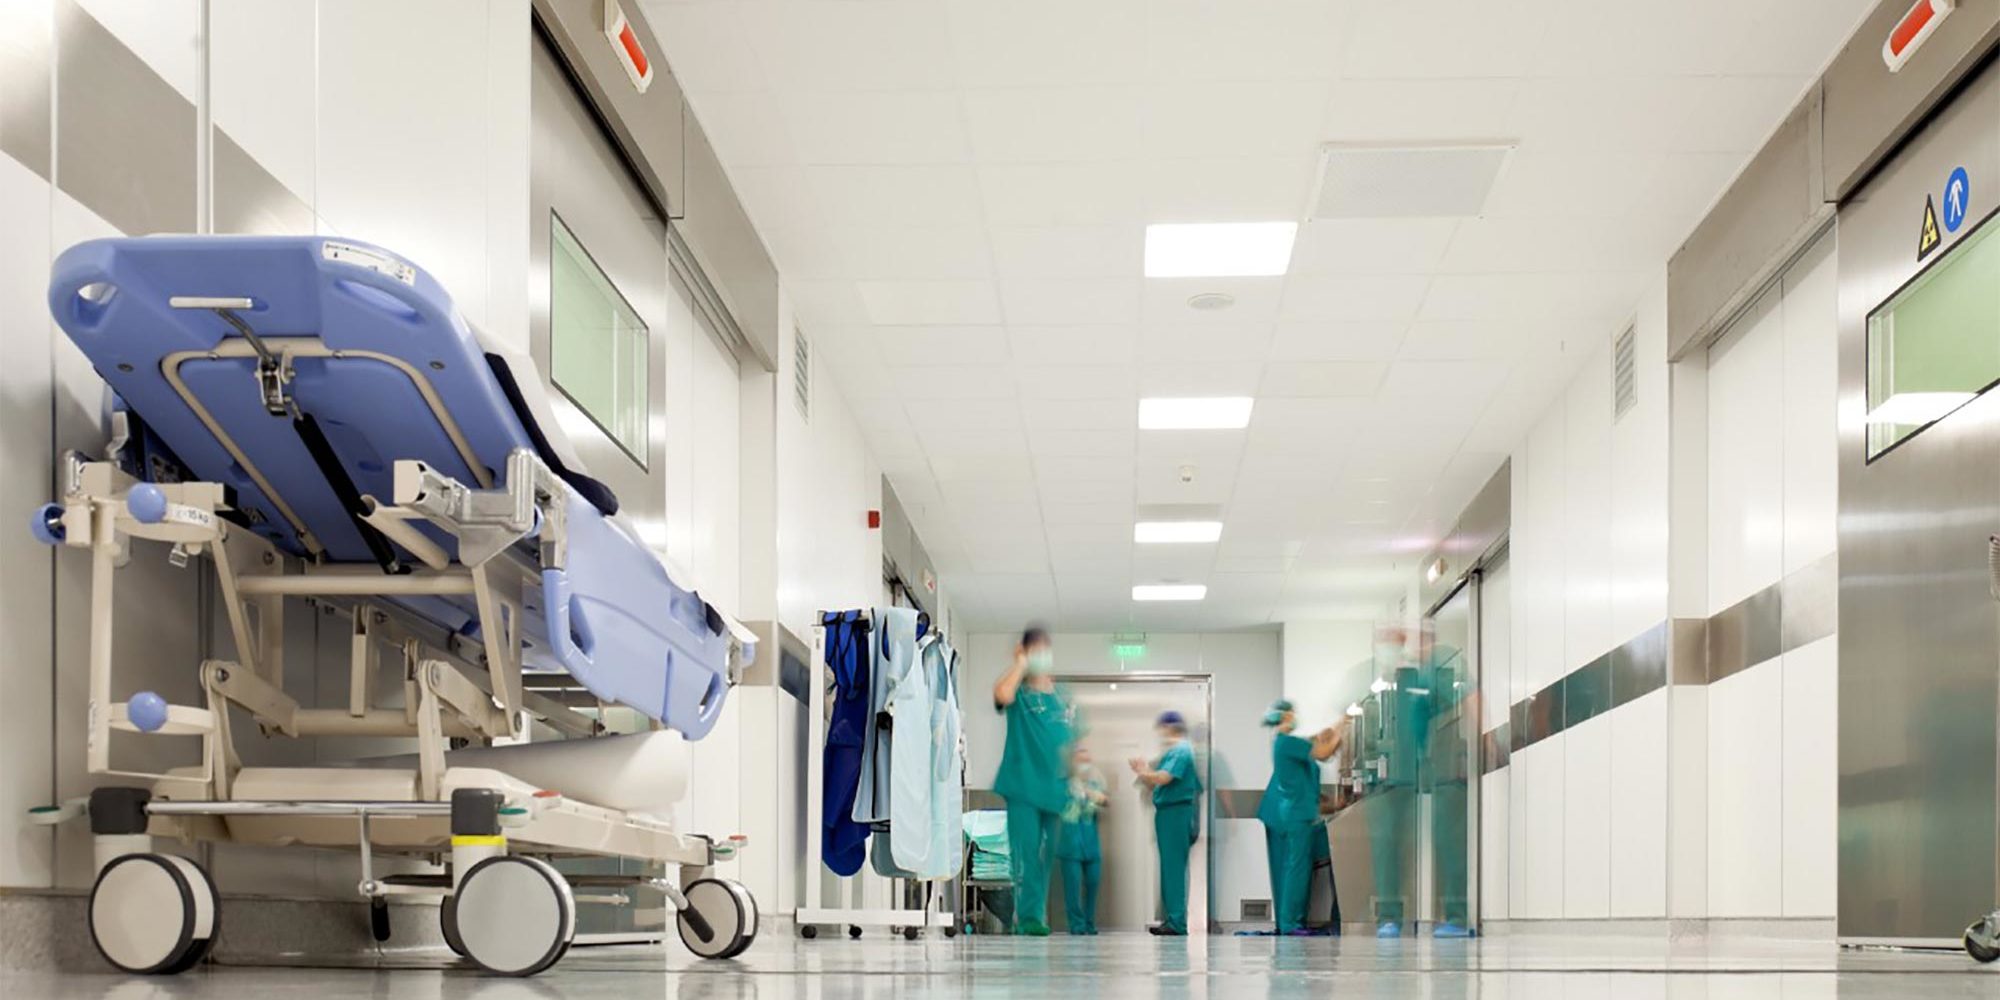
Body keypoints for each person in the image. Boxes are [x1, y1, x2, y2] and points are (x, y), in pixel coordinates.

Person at [992, 626, 1073, 937]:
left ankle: (1034, 913)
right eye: (1035, 650)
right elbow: (1002, 694)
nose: (1042, 655)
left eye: (1044, 649)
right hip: (1023, 787)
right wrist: (1020, 664)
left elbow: (1072, 742)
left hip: (1054, 791)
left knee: (1045, 857)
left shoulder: (1062, 698)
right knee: (1026, 853)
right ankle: (1027, 918)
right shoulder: (1019, 693)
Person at [1257, 699, 1342, 935]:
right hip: (1290, 815)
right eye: (1292, 713)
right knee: (1295, 868)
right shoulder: (1288, 743)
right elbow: (1323, 751)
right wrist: (1342, 726)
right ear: (1286, 716)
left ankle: (1292, 921)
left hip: (1295, 813)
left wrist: (1331, 731)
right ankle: (1290, 923)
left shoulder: (1288, 744)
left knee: (1296, 867)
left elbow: (1310, 786)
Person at [1130, 710, 1201, 936]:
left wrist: (1143, 771)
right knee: (1169, 868)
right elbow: (1158, 782)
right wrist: (1145, 774)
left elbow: (1164, 778)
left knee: (1174, 869)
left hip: (1176, 813)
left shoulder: (1181, 750)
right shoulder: (1174, 752)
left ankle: (1177, 922)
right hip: (1169, 813)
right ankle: (1172, 919)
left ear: (1169, 727)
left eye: (1162, 729)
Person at [1056, 745, 1107, 935]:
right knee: (1073, 888)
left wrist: (1095, 796)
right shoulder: (1063, 785)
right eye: (1080, 759)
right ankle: (1076, 925)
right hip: (1070, 845)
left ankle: (1089, 923)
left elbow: (1104, 801)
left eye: (1087, 760)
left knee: (1093, 883)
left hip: (1091, 845)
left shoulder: (1095, 784)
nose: (1085, 763)